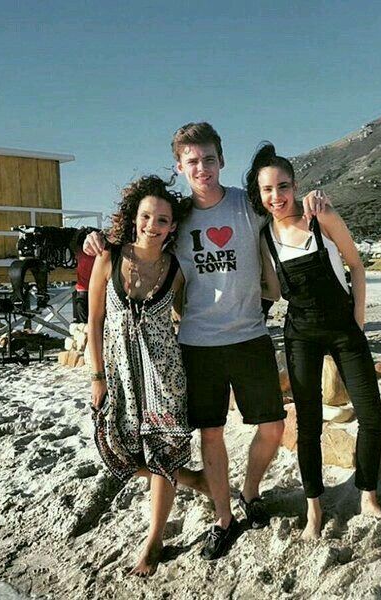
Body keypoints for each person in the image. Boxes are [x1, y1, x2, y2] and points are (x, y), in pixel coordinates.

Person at [84, 122, 329, 560]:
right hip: (197, 344)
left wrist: (311, 201)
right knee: (211, 435)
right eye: (192, 161)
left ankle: (250, 490)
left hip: (250, 334)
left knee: (272, 428)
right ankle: (223, 518)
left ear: (222, 161)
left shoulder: (246, 204)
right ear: (180, 166)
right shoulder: (176, 218)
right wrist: (92, 239)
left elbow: (283, 206)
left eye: (209, 159)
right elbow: (139, 240)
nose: (202, 168)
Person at [245, 143, 381, 540]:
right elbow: (274, 292)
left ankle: (368, 495)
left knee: (371, 416)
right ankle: (314, 509)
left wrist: (358, 321)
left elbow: (356, 266)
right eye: (268, 190)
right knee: (308, 426)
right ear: (260, 194)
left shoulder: (321, 216)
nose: (276, 196)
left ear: (295, 186)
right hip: (300, 334)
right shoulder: (265, 238)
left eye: (283, 186)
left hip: (344, 329)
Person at [87, 175, 207, 577]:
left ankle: (154, 540)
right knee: (114, 447)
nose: (152, 226)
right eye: (146, 216)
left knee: (163, 452)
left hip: (164, 378)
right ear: (133, 217)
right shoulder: (108, 259)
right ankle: (192, 479)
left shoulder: (177, 269)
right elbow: (94, 322)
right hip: (119, 376)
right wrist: (97, 377)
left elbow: (190, 315)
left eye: (162, 220)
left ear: (172, 227)